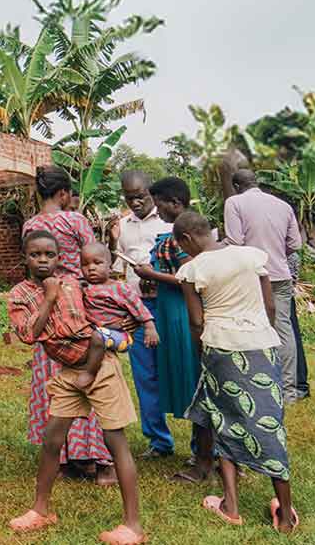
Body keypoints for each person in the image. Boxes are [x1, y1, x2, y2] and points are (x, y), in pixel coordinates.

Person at [5, 231, 151, 544]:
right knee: (52, 440)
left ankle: (133, 526)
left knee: (115, 441)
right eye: (35, 255)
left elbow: (108, 301)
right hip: (68, 373)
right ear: (25, 257)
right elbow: (30, 334)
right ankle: (41, 510)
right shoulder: (20, 294)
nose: (43, 260)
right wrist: (49, 297)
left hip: (100, 368)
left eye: (49, 255)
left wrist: (124, 323)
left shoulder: (76, 282)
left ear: (59, 258)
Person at [171, 211, 298, 533]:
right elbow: (270, 307)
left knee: (224, 419)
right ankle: (284, 515)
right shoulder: (251, 256)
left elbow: (197, 322)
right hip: (261, 345)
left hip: (221, 348)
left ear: (185, 239)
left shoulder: (191, 269)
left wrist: (204, 356)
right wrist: (260, 334)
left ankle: (231, 506)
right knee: (270, 422)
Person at [21, 165, 117, 484]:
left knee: (53, 382)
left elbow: (31, 271)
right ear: (64, 194)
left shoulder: (30, 225)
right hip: (78, 306)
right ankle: (97, 458)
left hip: (46, 308)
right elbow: (93, 259)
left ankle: (62, 460)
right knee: (90, 377)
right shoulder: (75, 220)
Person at [135, 176, 210, 479]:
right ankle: (198, 448)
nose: (158, 209)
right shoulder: (174, 235)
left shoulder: (184, 237)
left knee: (194, 379)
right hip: (169, 311)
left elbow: (188, 278)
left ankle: (204, 450)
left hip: (182, 313)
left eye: (160, 203)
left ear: (175, 203)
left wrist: (151, 273)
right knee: (186, 379)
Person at [223, 169, 308, 405]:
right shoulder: (282, 205)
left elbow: (235, 241)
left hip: (252, 276)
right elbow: (295, 244)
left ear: (237, 186)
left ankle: (259, 387)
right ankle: (289, 392)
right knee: (283, 330)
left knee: (251, 329)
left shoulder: (234, 202)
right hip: (280, 275)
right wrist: (276, 255)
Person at [112, 169, 173, 457]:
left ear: (152, 192)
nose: (135, 202)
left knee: (177, 369)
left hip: (168, 304)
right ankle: (159, 441)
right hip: (137, 310)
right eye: (129, 197)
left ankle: (203, 444)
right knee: (145, 375)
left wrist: (157, 275)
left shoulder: (170, 220)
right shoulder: (122, 227)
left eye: (140, 196)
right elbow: (118, 269)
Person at [80, 240, 158, 363]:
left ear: (110, 267)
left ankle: (90, 372)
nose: (91, 268)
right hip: (96, 333)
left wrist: (149, 327)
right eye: (85, 264)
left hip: (120, 336)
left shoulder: (119, 288)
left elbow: (138, 306)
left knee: (96, 339)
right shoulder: (83, 287)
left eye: (97, 263)